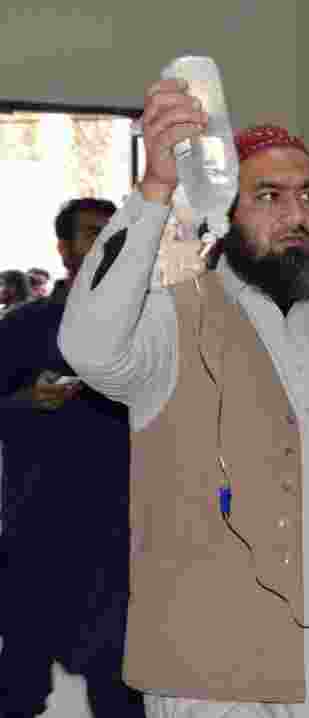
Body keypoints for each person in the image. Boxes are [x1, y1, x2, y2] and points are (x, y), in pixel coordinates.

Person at [58, 78, 309, 717]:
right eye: (266, 196)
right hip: (212, 681)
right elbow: (89, 347)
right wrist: (155, 189)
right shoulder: (171, 322)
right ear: (225, 213)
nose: (295, 216)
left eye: (306, 196)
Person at [0, 198, 142, 718]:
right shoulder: (25, 327)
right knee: (18, 689)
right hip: (37, 535)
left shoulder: (145, 327)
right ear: (64, 249)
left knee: (122, 688)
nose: (107, 243)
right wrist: (25, 404)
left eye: (115, 233)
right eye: (92, 233)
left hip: (121, 542)